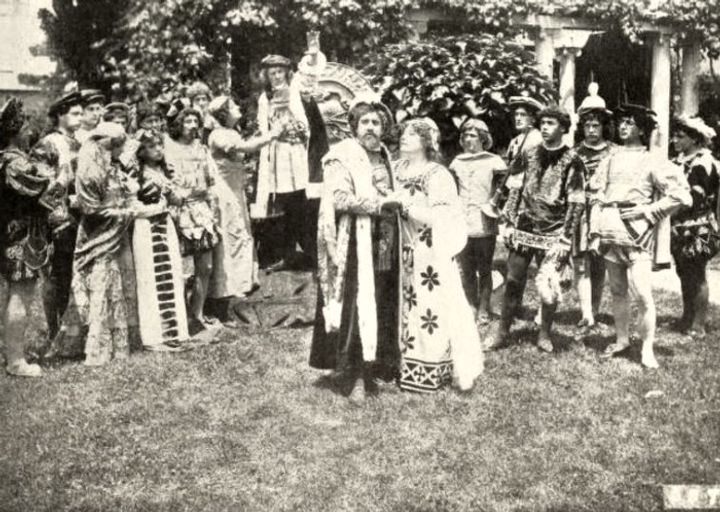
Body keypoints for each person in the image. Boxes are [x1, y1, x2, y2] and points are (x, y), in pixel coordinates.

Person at [310, 95, 400, 399]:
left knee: (382, 297)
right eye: (365, 122)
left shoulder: (384, 154)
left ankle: (379, 364)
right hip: (355, 239)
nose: (371, 127)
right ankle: (355, 374)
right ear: (353, 126)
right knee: (356, 303)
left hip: (385, 236)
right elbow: (340, 199)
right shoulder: (341, 155)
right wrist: (380, 203)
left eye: (376, 122)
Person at [589, 104, 692, 368]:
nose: (623, 127)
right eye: (621, 122)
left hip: (638, 236)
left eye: (630, 123)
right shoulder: (610, 157)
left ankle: (647, 349)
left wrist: (650, 211)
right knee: (617, 290)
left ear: (642, 129)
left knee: (643, 294)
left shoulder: (652, 160)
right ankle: (622, 339)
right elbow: (597, 192)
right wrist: (596, 227)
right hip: (611, 233)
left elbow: (681, 195)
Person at [393, 118, 484, 392]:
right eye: (403, 134)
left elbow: (442, 216)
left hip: (429, 250)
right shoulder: (397, 169)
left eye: (412, 134)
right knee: (404, 304)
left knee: (431, 306)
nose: (404, 138)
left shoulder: (437, 174)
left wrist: (406, 206)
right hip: (402, 247)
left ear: (426, 141)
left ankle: (434, 366)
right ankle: (402, 365)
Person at [489, 106, 586, 353]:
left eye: (551, 123)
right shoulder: (529, 154)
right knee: (512, 280)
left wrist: (566, 237)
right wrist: (509, 221)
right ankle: (501, 333)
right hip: (525, 226)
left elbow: (576, 201)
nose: (544, 127)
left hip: (554, 231)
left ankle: (544, 334)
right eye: (542, 123)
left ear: (563, 128)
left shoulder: (573, 160)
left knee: (549, 286)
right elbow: (515, 188)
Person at [52, 123, 150, 366]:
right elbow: (91, 209)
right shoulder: (89, 169)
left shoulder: (111, 166)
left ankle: (118, 342)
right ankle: (96, 346)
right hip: (98, 235)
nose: (121, 153)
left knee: (116, 287)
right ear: (109, 145)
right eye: (118, 147)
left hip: (117, 234)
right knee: (100, 285)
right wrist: (127, 213)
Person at [0, 98, 56, 376]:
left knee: (18, 293)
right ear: (16, 129)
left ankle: (13, 353)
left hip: (18, 235)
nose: (31, 130)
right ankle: (15, 361)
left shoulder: (11, 160)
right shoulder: (13, 163)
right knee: (20, 294)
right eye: (26, 125)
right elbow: (43, 188)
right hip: (20, 238)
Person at [206, 95, 278, 300]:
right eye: (233, 105)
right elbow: (244, 148)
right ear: (224, 113)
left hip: (235, 190)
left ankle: (244, 281)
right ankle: (228, 286)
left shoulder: (231, 132)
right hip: (224, 192)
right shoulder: (218, 135)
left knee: (240, 231)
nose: (238, 106)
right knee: (231, 233)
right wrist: (271, 136)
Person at [132, 129, 191, 351]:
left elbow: (175, 200)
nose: (158, 149)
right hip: (147, 226)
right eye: (151, 146)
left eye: (159, 145)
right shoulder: (136, 174)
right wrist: (156, 207)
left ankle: (176, 332)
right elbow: (131, 205)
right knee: (151, 278)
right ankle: (154, 336)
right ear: (141, 150)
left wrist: (177, 195)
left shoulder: (164, 171)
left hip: (165, 225)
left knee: (172, 273)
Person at [164, 105, 221, 334]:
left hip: (200, 209)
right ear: (179, 124)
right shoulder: (168, 148)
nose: (193, 125)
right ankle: (179, 315)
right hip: (179, 210)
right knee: (179, 267)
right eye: (187, 121)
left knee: (205, 266)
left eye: (195, 121)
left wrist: (213, 206)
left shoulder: (201, 148)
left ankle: (197, 312)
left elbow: (210, 180)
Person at [252, 54, 313, 270]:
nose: (276, 77)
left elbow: (305, 124)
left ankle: (308, 251)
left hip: (294, 153)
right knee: (281, 204)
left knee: (298, 200)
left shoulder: (295, 92)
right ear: (266, 77)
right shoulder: (264, 99)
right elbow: (263, 128)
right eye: (272, 73)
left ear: (287, 73)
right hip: (275, 154)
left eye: (279, 72)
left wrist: (296, 131)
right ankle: (285, 254)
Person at [35, 91, 83, 343]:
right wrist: (62, 191)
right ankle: (54, 332)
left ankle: (72, 331)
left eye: (82, 113)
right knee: (57, 276)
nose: (81, 117)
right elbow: (41, 185)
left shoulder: (80, 142)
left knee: (75, 275)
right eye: (75, 113)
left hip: (81, 218)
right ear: (60, 116)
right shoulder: (49, 143)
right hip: (58, 220)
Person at [450, 118, 507, 325]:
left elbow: (505, 189)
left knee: (484, 267)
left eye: (473, 135)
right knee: (465, 268)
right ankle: (470, 305)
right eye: (465, 135)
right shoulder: (457, 163)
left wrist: (496, 204)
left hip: (484, 220)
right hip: (462, 221)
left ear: (483, 138)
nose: (468, 139)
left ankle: (484, 308)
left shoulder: (494, 162)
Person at [669, 115, 719, 339]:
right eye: (675, 136)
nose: (675, 140)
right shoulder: (679, 161)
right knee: (683, 272)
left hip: (702, 228)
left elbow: (697, 198)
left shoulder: (705, 162)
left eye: (680, 137)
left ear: (695, 139)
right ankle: (687, 316)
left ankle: (699, 325)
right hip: (681, 226)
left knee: (697, 272)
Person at [572, 83, 615, 329]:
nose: (591, 130)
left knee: (599, 262)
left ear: (603, 127)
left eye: (595, 125)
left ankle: (595, 310)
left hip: (603, 211)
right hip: (580, 213)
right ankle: (585, 312)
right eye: (587, 125)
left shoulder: (613, 152)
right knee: (580, 262)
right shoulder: (575, 153)